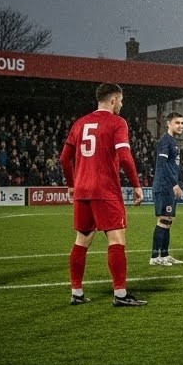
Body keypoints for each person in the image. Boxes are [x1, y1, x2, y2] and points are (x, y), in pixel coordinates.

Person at [59, 83, 147, 306]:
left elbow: (63, 159)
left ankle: (76, 293)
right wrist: (137, 185)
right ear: (114, 100)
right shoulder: (117, 122)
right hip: (105, 189)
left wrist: (71, 184)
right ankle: (120, 294)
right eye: (121, 100)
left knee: (82, 240)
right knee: (117, 239)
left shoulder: (79, 123)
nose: (122, 104)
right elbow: (125, 157)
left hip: (82, 190)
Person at [149, 112, 183, 266]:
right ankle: (154, 257)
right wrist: (174, 184)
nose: (181, 126)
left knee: (168, 220)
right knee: (163, 220)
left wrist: (181, 181)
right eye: (177, 123)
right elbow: (163, 165)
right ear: (168, 124)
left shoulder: (173, 142)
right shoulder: (165, 141)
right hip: (164, 186)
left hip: (169, 186)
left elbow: (172, 166)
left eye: (182, 123)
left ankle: (164, 254)